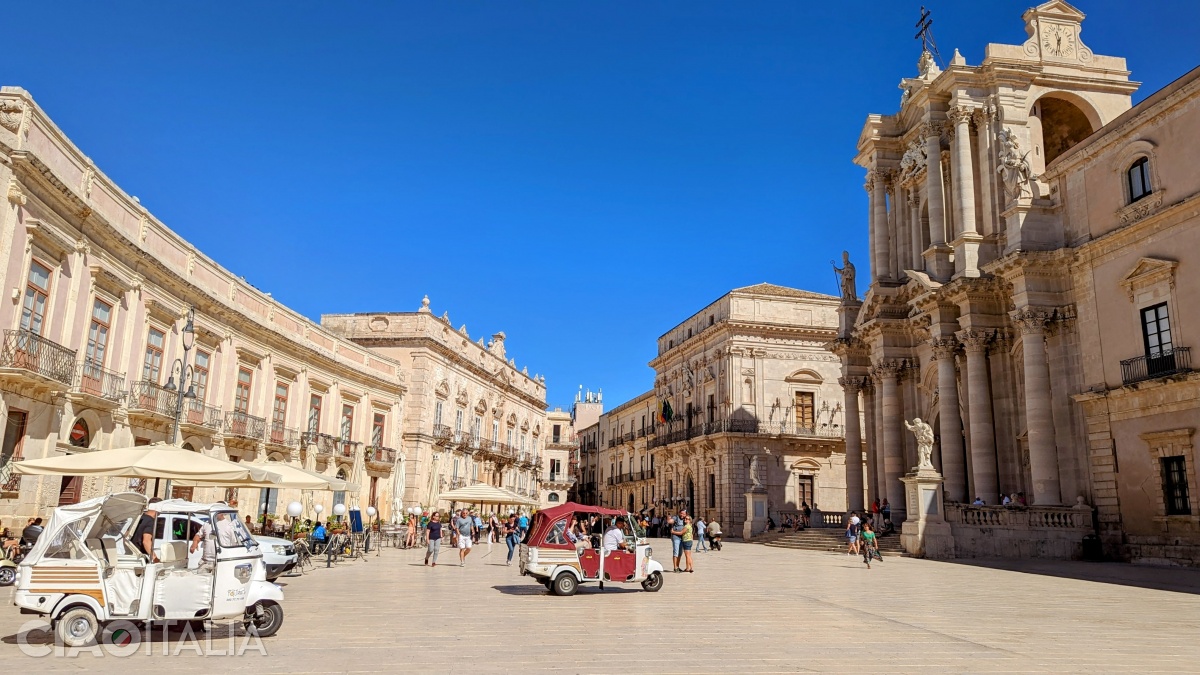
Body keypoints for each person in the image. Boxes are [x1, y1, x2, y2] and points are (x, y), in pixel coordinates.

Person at [132, 498, 161, 562]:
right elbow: (146, 541)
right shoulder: (151, 521)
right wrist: (155, 558)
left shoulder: (140, 517)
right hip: (141, 557)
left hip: (133, 554)